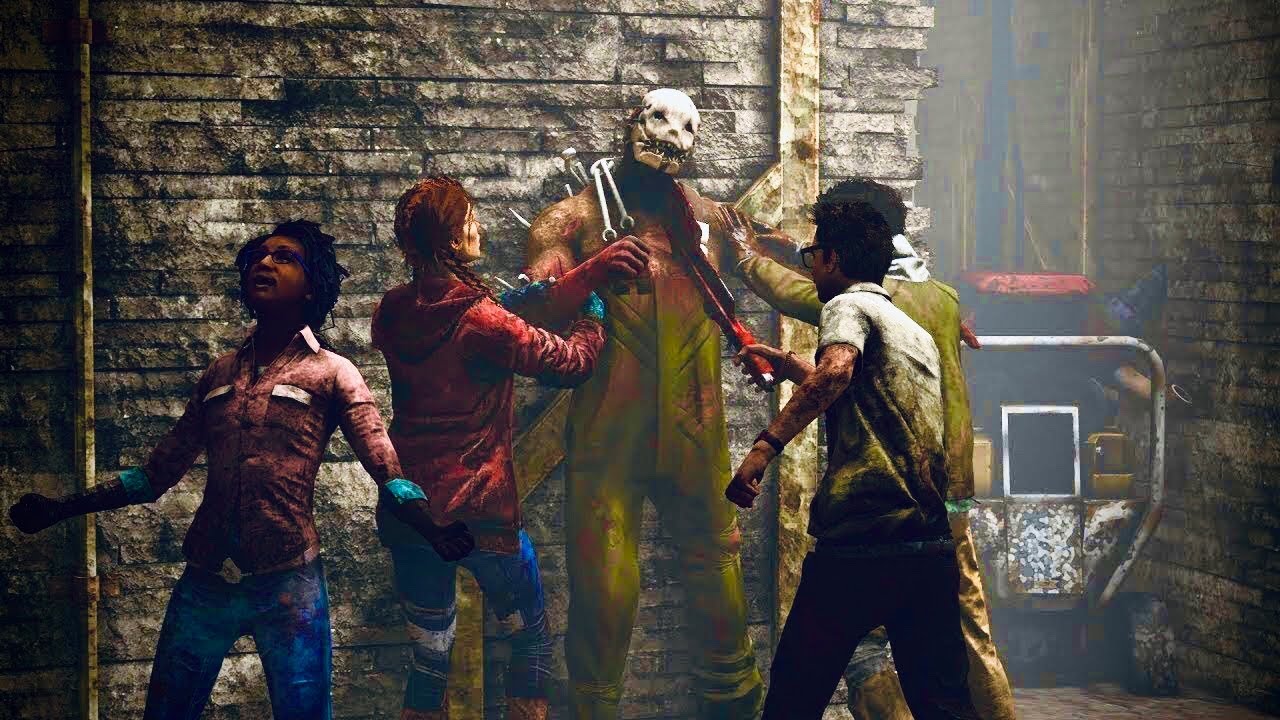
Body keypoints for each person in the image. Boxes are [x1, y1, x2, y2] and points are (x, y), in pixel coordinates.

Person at [8, 220, 472, 720]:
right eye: (258, 257)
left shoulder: (334, 372)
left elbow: (386, 469)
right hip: (205, 583)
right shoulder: (220, 371)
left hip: (289, 586)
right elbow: (153, 476)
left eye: (284, 257)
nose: (264, 264)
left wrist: (432, 528)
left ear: (312, 284)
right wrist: (62, 508)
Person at [520, 88, 774, 718]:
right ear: (630, 123)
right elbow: (536, 309)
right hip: (609, 431)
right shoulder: (571, 221)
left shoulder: (709, 221)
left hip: (697, 430)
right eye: (658, 118)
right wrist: (590, 271)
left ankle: (737, 707)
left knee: (718, 568)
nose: (670, 136)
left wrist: (887, 292)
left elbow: (783, 273)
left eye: (686, 127)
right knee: (603, 582)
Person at [724, 179, 1017, 719]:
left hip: (861, 538)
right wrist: (793, 368)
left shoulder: (847, 304)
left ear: (835, 258)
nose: (810, 265)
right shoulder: (924, 316)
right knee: (948, 688)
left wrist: (763, 448)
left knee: (795, 697)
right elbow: (872, 394)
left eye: (814, 254)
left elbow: (836, 370)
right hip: (930, 532)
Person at [370, 176, 648, 720]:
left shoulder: (393, 310)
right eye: (470, 219)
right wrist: (592, 314)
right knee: (530, 640)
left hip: (412, 517)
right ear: (452, 240)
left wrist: (531, 296)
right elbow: (570, 364)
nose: (480, 228)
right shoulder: (483, 321)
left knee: (429, 659)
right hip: (479, 515)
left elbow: (472, 319)